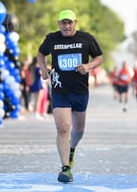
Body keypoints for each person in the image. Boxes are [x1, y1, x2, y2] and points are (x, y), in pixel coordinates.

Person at [37, 9, 103, 183]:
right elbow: (40, 53)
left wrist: (88, 67)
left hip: (80, 91)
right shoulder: (52, 39)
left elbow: (99, 57)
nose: (66, 26)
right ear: (58, 24)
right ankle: (65, 169)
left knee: (79, 130)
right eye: (63, 23)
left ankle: (72, 148)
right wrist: (43, 68)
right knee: (63, 128)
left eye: (69, 22)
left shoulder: (86, 38)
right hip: (60, 91)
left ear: (75, 23)